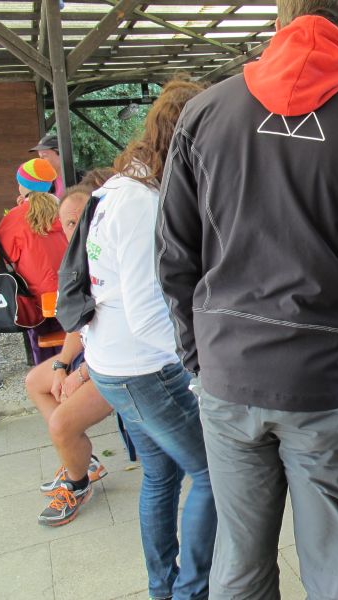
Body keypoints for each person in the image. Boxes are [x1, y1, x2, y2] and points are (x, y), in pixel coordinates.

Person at [156, 1, 338, 597]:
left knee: (240, 561)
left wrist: (198, 354)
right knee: (335, 567)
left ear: (279, 23)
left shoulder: (204, 113)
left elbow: (174, 255)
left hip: (229, 372)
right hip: (327, 382)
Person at [86, 79, 216, 600]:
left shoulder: (118, 187)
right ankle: (191, 592)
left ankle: (163, 588)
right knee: (211, 473)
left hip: (112, 361)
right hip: (141, 369)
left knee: (161, 475)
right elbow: (146, 316)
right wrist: (203, 363)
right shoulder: (142, 204)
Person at [25, 186, 113, 527]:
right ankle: (83, 459)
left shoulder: (109, 261)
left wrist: (80, 374)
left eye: (82, 219)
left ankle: (78, 484)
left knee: (61, 424)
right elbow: (78, 328)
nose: (76, 228)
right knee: (36, 381)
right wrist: (62, 366)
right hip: (88, 359)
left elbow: (122, 338)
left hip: (111, 366)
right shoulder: (76, 264)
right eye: (69, 223)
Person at [0, 158, 68, 364]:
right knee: (71, 339)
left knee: (41, 343)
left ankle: (46, 376)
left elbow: (2, 252)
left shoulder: (17, 216)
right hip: (69, 290)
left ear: (24, 186)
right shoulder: (65, 208)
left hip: (37, 297)